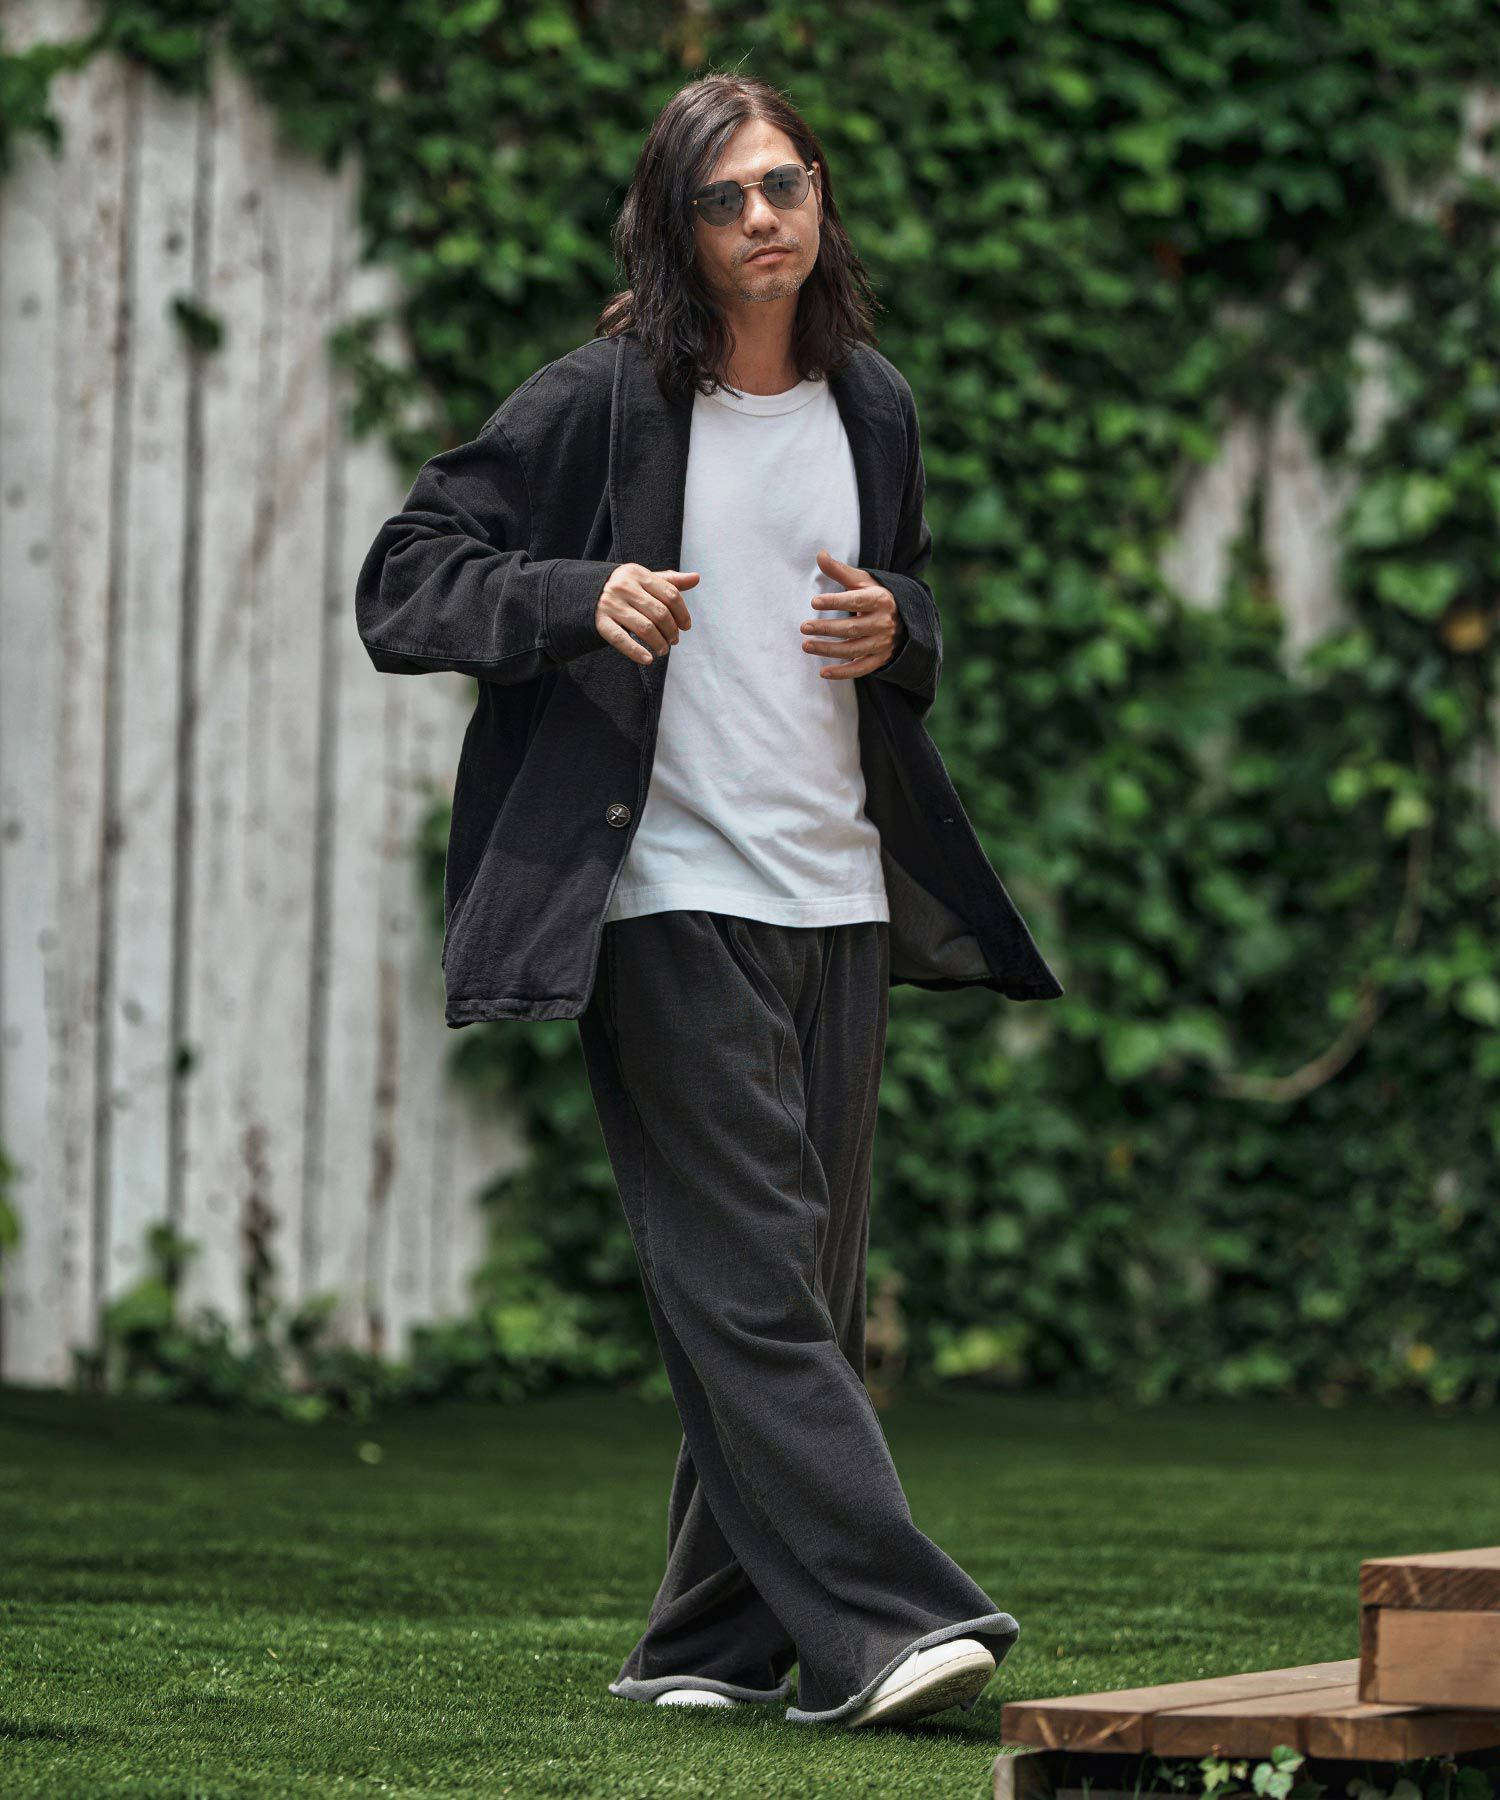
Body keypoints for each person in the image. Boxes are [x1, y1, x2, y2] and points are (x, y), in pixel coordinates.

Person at [355, 72, 1063, 1731]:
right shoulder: (599, 399)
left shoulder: (873, 405)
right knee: (747, 1277)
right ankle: (889, 1622)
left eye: (784, 185)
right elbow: (403, 581)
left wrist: (902, 626)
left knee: (797, 1295)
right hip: (663, 892)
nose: (761, 218)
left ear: (821, 200)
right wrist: (575, 593)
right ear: (674, 228)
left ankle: (705, 1640)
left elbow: (904, 601)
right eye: (724, 196)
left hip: (839, 896)